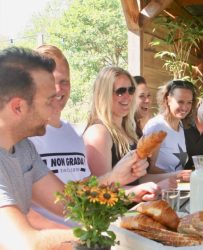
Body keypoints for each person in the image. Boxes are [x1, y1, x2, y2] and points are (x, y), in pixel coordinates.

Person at [0, 47, 147, 249]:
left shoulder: (24, 148)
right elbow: (23, 242)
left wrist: (119, 182)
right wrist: (105, 235)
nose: (56, 106)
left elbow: (69, 201)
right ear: (18, 107)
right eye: (48, 100)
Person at [28, 46, 159, 227]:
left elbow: (84, 192)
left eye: (64, 81)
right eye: (51, 81)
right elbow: (22, 211)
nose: (58, 89)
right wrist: (75, 239)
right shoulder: (24, 137)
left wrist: (131, 191)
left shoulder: (71, 135)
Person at [142, 80, 196, 179]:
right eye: (180, 101)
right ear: (168, 100)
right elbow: (148, 168)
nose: (185, 107)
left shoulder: (180, 124)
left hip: (177, 189)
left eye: (189, 102)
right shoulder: (156, 126)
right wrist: (179, 176)